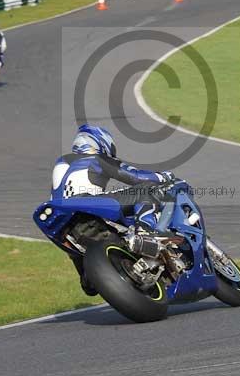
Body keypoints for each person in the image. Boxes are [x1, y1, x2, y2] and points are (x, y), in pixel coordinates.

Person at [51, 124, 174, 295]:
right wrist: (165, 176)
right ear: (102, 143)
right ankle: (146, 235)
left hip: (64, 221)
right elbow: (138, 177)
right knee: (146, 189)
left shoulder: (62, 162)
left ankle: (87, 276)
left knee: (86, 276)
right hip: (87, 204)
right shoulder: (97, 159)